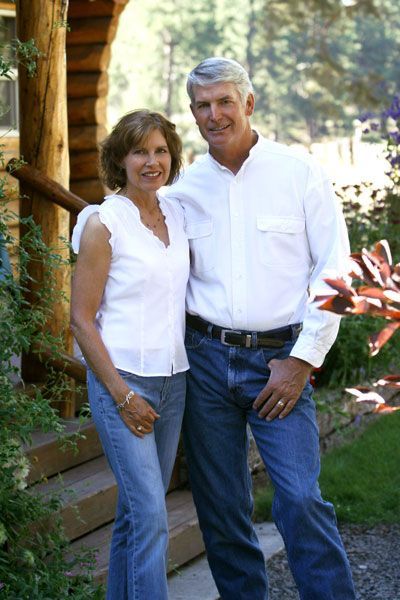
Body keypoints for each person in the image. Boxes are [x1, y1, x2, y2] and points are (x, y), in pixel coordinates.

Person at [165, 58, 356, 599]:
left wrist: (301, 360)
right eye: (202, 105)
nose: (214, 114)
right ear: (193, 113)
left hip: (281, 358)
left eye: (225, 101)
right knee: (221, 506)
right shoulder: (184, 189)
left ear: (249, 103)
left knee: (299, 497)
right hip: (204, 359)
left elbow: (336, 272)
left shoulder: (299, 175)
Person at [70, 109, 189, 600]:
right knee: (151, 517)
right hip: (123, 382)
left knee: (137, 514)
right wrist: (121, 395)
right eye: (140, 151)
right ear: (120, 158)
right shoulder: (103, 223)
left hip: (174, 381)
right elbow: (81, 320)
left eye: (160, 151)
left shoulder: (177, 214)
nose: (151, 161)